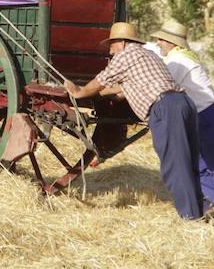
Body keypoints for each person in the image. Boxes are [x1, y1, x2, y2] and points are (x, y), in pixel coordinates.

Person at [64, 22, 204, 220]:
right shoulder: (147, 54)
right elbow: (128, 88)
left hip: (165, 108)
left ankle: (190, 218)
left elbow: (100, 81)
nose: (111, 49)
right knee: (188, 161)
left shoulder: (126, 55)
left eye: (112, 44)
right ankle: (198, 210)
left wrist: (79, 92)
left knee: (175, 165)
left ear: (122, 42)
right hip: (183, 103)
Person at [151, 20, 214, 215]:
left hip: (204, 114)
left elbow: (163, 87)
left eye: (161, 39)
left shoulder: (176, 61)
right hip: (210, 112)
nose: (158, 43)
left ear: (172, 43)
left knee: (209, 165)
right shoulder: (184, 57)